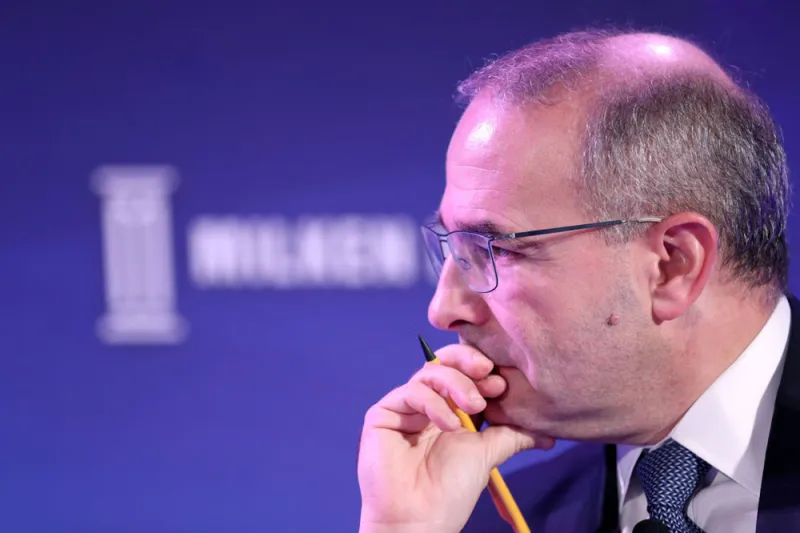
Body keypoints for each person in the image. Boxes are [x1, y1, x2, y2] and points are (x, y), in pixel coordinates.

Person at [356, 27, 800, 533]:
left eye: (498, 249)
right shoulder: (477, 520)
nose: (443, 309)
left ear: (672, 265)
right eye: (455, 249)